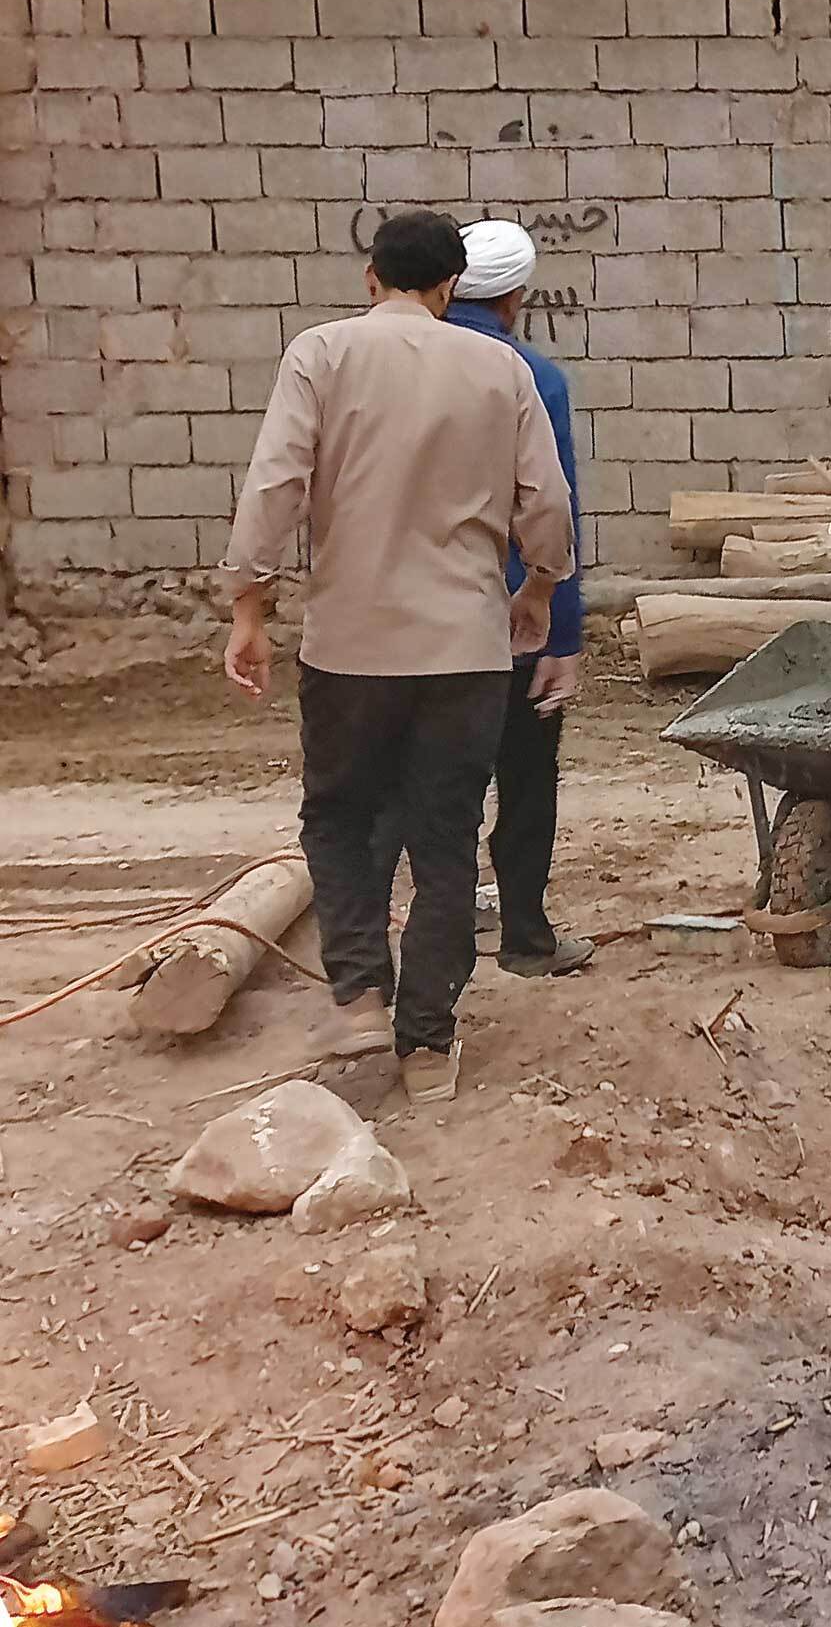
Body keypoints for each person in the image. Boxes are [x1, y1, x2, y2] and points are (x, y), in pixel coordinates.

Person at [221, 209, 574, 1105]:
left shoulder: (320, 354)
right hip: (465, 648)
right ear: (452, 287)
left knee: (340, 817)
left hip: (350, 647)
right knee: (445, 837)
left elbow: (275, 484)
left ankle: (358, 994)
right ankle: (427, 1044)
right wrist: (539, 588)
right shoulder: (501, 368)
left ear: (369, 276)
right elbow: (545, 500)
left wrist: (249, 607)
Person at [372, 219, 593, 980]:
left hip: (410, 620)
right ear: (516, 298)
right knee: (525, 778)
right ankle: (526, 936)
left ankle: (428, 937)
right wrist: (562, 635)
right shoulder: (532, 376)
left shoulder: (380, 367)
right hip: (512, 615)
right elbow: (553, 510)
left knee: (428, 782)